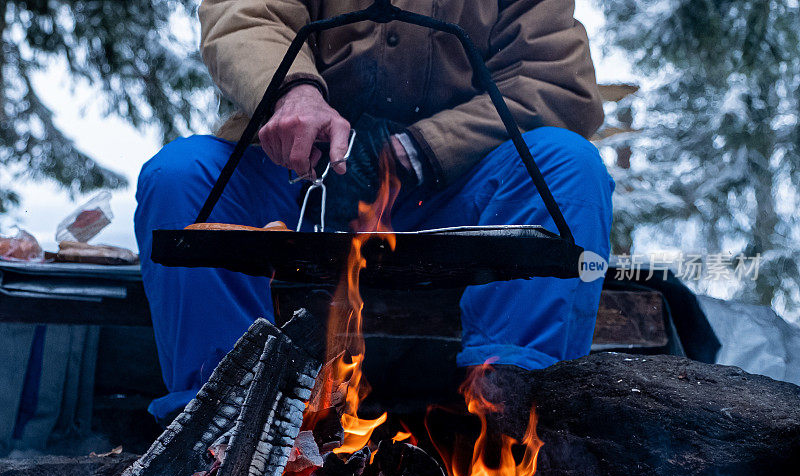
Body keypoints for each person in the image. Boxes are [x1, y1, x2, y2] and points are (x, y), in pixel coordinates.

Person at [134, 0, 614, 423]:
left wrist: (420, 150)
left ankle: (514, 422)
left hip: (450, 198)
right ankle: (219, 423)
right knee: (180, 179)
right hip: (300, 182)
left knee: (568, 167)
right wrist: (294, 91)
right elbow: (247, 15)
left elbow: (556, 82)